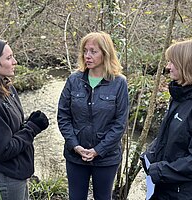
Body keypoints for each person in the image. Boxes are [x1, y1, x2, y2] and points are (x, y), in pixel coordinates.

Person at [140, 38, 192, 200]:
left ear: (187, 65)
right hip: (164, 188)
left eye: (172, 62)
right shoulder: (180, 97)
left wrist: (161, 171)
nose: (168, 67)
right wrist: (150, 154)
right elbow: (168, 138)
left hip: (184, 194)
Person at [0, 38, 49, 200]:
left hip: (17, 175)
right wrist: (32, 128)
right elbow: (4, 150)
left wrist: (28, 121)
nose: (15, 61)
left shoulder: (7, 88)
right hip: (5, 180)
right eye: (8, 58)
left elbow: (10, 128)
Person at [57, 31, 129, 200]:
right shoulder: (74, 80)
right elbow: (63, 116)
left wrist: (98, 150)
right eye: (85, 51)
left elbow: (120, 123)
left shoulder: (119, 83)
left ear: (105, 53)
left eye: (93, 51)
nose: (87, 56)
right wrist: (75, 145)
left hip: (107, 157)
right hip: (75, 155)